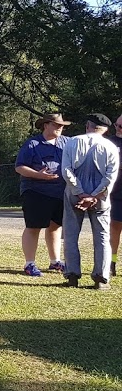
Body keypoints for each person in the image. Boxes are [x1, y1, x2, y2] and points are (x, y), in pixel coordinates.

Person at [61, 114, 118, 288]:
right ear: (106, 129)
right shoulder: (111, 147)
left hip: (74, 194)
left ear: (88, 125)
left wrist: (80, 193)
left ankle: (72, 276)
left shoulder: (71, 142)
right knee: (102, 236)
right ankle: (101, 278)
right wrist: (93, 195)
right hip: (100, 196)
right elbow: (110, 176)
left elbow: (66, 170)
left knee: (70, 234)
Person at [15, 113, 70, 277]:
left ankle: (55, 262)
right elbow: (19, 167)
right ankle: (29, 263)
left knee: (55, 226)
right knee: (33, 227)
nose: (60, 128)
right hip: (36, 190)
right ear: (45, 125)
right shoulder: (32, 144)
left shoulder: (67, 143)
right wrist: (39, 175)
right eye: (56, 125)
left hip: (60, 192)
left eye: (61, 125)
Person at [107, 113, 122, 277]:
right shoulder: (110, 142)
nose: (117, 128)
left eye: (121, 126)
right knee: (114, 228)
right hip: (115, 192)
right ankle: (111, 262)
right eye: (116, 125)